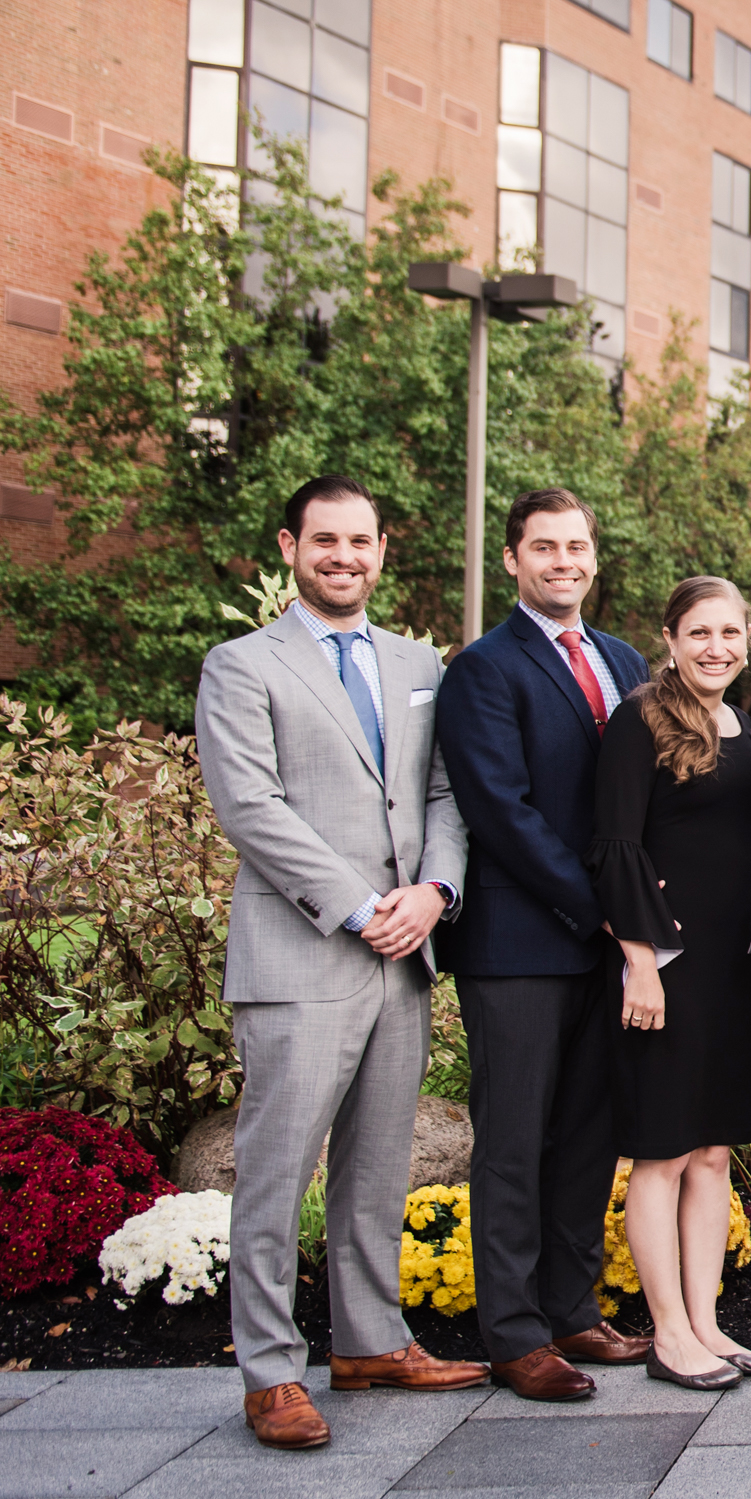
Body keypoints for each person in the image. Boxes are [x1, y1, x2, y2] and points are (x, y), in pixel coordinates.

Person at [196, 476, 488, 1449]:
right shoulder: (242, 666)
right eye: (324, 540)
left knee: (376, 1165)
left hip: (405, 951)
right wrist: (363, 906)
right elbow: (251, 808)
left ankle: (370, 1339)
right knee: (277, 1171)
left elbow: (446, 792)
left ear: (383, 547)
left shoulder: (419, 662)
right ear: (289, 546)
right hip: (303, 954)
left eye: (359, 541)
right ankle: (270, 1372)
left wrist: (435, 893)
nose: (344, 557)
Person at [438, 488, 654, 1401]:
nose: (563, 561)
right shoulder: (483, 668)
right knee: (515, 1139)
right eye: (544, 547)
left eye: (577, 546)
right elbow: (501, 810)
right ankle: (514, 1331)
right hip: (521, 940)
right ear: (513, 560)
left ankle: (572, 1308)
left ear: (593, 558)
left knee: (586, 1136)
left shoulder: (625, 658)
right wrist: (602, 905)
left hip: (609, 949)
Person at [588, 577, 751, 1392]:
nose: (716, 648)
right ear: (669, 638)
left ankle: (707, 1321)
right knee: (663, 1152)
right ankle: (667, 1332)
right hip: (664, 963)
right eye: (700, 632)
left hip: (734, 963)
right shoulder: (638, 720)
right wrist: (641, 960)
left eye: (730, 633)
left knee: (711, 1152)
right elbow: (613, 846)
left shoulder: (742, 725)